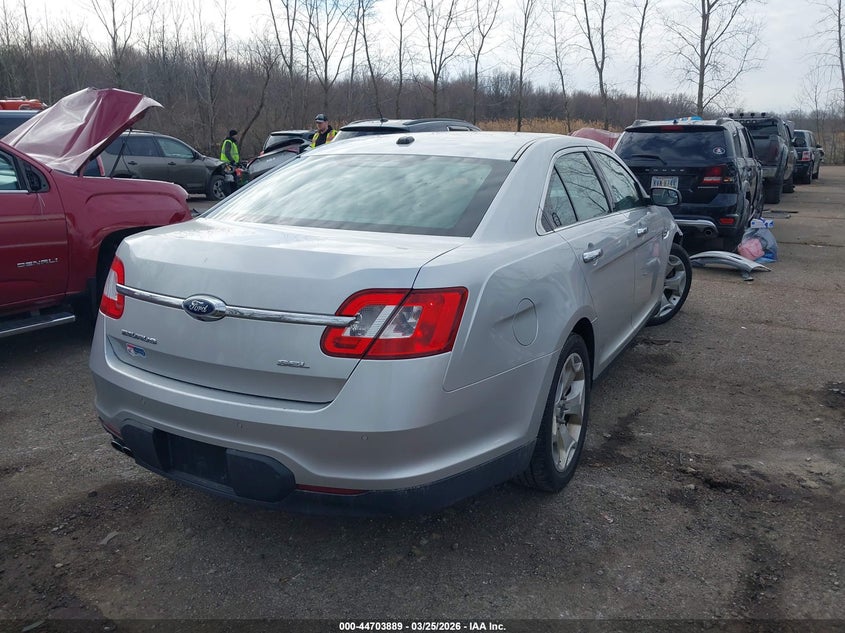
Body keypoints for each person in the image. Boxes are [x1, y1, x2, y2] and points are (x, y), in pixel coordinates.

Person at [220, 129, 240, 194]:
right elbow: (227, 152)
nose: (237, 137)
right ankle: (229, 193)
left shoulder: (232, 142)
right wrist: (232, 161)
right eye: (236, 135)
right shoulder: (228, 142)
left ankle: (232, 192)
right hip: (227, 164)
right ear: (233, 135)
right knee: (229, 179)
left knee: (232, 179)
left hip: (231, 164)